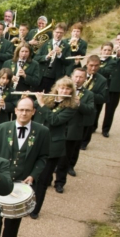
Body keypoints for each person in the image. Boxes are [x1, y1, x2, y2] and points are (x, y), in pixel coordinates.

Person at [0, 97, 50, 237]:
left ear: (33, 112)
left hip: (22, 183)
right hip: (0, 180)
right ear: (15, 110)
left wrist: (33, 175)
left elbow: (43, 157)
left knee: (13, 221)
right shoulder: (1, 128)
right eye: (21, 110)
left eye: (28, 110)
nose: (24, 113)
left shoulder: (42, 131)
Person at [31, 77, 78, 218]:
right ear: (57, 88)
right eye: (62, 88)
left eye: (67, 88)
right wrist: (28, 99)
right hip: (36, 142)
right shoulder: (47, 99)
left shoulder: (71, 107)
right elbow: (31, 107)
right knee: (30, 177)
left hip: (53, 147)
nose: (64, 91)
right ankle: (24, 205)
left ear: (71, 91)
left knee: (43, 180)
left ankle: (35, 209)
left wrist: (41, 103)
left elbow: (54, 120)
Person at [53, 67, 96, 191]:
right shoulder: (61, 89)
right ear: (72, 77)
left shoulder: (88, 94)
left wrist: (79, 104)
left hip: (73, 129)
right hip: (57, 127)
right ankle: (47, 179)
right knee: (51, 156)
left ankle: (60, 183)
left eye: (81, 77)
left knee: (65, 159)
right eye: (76, 76)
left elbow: (90, 110)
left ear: (85, 78)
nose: (78, 79)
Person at [83, 54, 109, 149]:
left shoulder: (102, 80)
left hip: (90, 108)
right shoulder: (79, 74)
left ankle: (84, 143)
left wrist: (88, 94)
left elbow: (103, 98)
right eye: (91, 65)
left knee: (87, 129)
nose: (93, 68)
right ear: (87, 64)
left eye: (96, 66)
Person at [35, 22, 70, 93]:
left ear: (64, 33)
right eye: (57, 32)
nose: (58, 35)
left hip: (55, 77)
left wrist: (60, 55)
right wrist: (46, 57)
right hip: (42, 76)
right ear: (53, 32)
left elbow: (68, 62)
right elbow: (36, 58)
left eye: (61, 33)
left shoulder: (66, 46)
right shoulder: (45, 43)